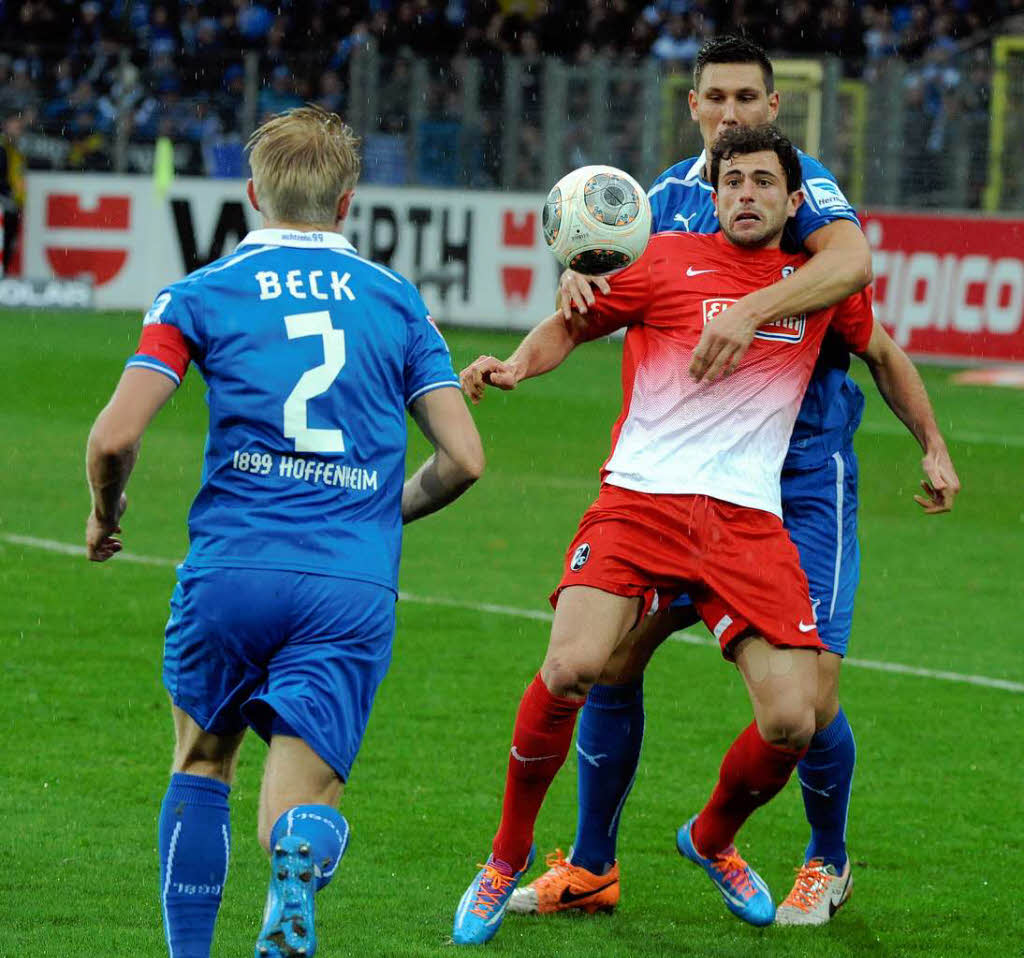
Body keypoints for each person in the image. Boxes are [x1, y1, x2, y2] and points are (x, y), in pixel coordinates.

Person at [510, 35, 960, 927]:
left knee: (810, 696)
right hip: (679, 482)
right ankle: (594, 864)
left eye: (746, 100)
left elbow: (856, 281)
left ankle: (825, 860)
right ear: (692, 106)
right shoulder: (672, 196)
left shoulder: (799, 189)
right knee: (610, 664)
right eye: (714, 99)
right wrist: (578, 275)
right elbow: (612, 278)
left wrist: (930, 441)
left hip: (798, 474)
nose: (730, 116)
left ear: (773, 109)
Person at [452, 124, 885, 944]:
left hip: (747, 523)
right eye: (733, 182)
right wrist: (516, 362)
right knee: (575, 664)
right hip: (639, 503)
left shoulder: (818, 285)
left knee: (794, 718)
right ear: (711, 193)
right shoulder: (664, 258)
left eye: (764, 182)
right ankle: (506, 855)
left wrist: (931, 443)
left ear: (795, 200)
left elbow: (885, 347)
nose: (746, 195)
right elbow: (571, 324)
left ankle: (711, 838)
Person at [85, 106, 484, 958]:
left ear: (253, 194)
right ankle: (301, 857)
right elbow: (464, 457)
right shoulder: (397, 302)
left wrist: (104, 509)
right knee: (300, 804)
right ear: (348, 205)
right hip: (347, 579)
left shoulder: (199, 293)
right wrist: (385, 508)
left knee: (201, 765)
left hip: (233, 567)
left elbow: (115, 436)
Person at [0, 112, 25, 276]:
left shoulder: (15, 149)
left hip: (11, 204)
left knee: (8, 242)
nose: (18, 128)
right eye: (15, 124)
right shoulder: (3, 148)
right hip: (4, 203)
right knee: (5, 241)